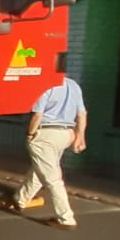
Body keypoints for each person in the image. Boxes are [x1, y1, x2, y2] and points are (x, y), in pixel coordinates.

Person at [10, 76, 87, 230]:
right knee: (43, 167)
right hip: (66, 133)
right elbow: (82, 114)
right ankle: (21, 199)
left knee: (52, 178)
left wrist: (30, 134)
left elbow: (37, 114)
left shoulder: (44, 85)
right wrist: (80, 136)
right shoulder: (73, 85)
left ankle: (66, 218)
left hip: (46, 133)